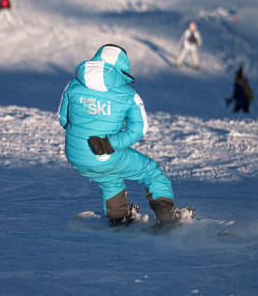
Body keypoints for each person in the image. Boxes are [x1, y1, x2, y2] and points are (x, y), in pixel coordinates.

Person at [58, 44, 195, 227]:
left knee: (110, 178)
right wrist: (109, 144)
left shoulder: (74, 84)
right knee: (151, 172)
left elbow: (63, 118)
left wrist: (81, 140)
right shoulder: (128, 95)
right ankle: (167, 218)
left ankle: (118, 217)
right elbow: (139, 129)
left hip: (75, 156)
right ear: (122, 69)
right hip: (105, 155)